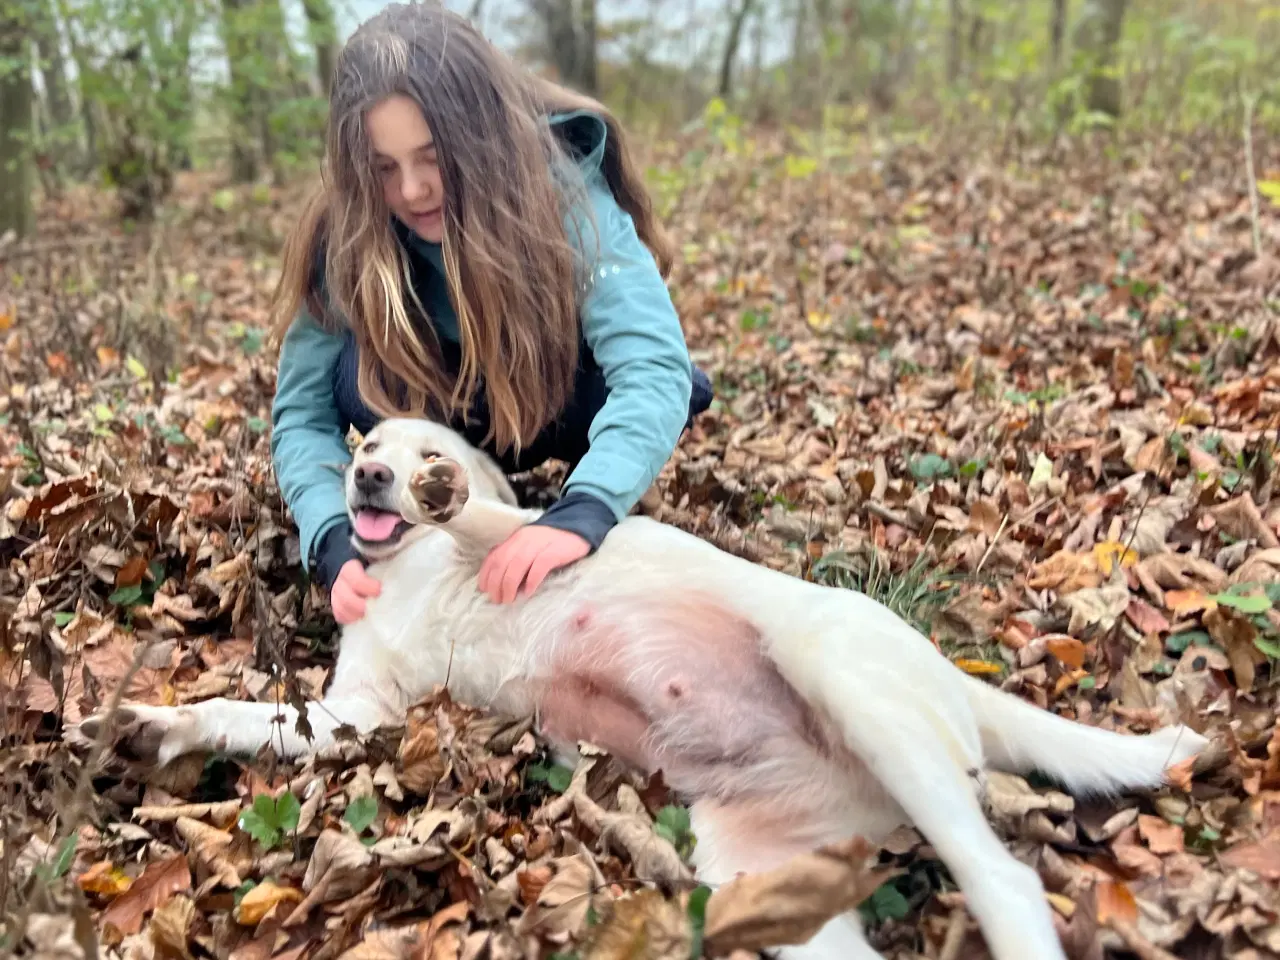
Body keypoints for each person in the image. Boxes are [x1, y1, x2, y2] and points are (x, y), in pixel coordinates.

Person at [268, 2, 713, 625]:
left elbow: (652, 366)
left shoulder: (564, 194)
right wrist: (331, 539)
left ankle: (573, 469)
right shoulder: (347, 233)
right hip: (426, 409)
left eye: (432, 157)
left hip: (545, 400)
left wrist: (583, 511)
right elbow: (300, 416)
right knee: (347, 367)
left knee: (676, 387)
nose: (414, 190)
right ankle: (446, 482)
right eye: (384, 168)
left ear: (479, 140)